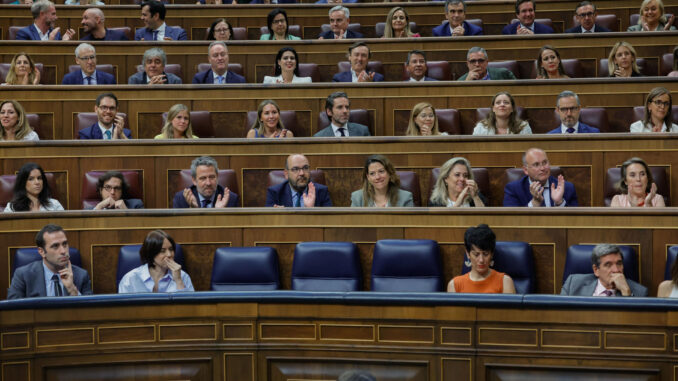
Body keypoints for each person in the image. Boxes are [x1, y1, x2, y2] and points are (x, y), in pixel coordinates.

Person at [7, 224, 92, 299]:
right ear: (42, 252)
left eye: (65, 244)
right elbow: (13, 312)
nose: (63, 251)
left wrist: (72, 289)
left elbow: (90, 312)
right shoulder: (23, 275)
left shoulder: (81, 276)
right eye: (55, 246)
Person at [118, 230, 194, 293]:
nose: (169, 254)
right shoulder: (130, 279)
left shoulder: (182, 276)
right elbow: (123, 310)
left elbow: (189, 308)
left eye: (171, 249)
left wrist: (178, 281)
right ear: (151, 254)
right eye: (162, 251)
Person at [448, 224, 515, 293]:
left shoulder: (505, 282)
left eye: (485, 254)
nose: (481, 260)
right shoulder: (455, 285)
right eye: (476, 255)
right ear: (468, 254)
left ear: (492, 254)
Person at [561, 244, 647, 296]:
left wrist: (626, 292)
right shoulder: (573, 284)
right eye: (608, 265)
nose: (616, 270)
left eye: (619, 263)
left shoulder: (640, 292)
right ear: (596, 270)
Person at [503, 148, 579, 207]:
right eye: (536, 165)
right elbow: (512, 221)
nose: (542, 168)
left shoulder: (567, 188)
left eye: (545, 163)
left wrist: (559, 203)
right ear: (526, 170)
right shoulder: (513, 190)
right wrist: (535, 203)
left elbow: (576, 222)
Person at [266, 154, 333, 207]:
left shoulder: (321, 191)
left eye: (305, 168)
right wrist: (280, 216)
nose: (302, 173)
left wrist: (311, 210)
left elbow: (329, 221)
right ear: (286, 174)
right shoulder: (275, 193)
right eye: (295, 169)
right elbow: (268, 222)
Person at [172, 156, 240, 208]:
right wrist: (194, 211)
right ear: (194, 180)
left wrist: (220, 214)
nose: (208, 183)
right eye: (203, 178)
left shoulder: (231, 199)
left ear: (217, 177)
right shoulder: (181, 199)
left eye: (212, 177)